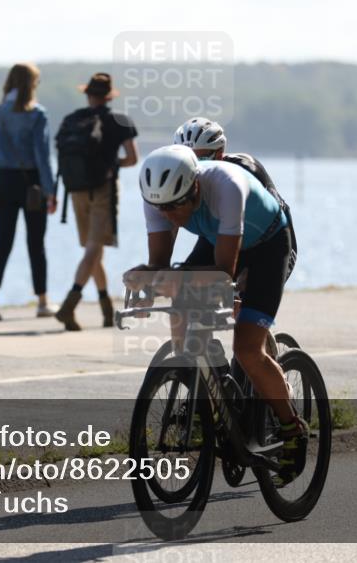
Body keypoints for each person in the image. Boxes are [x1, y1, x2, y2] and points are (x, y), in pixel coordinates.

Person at [126, 145, 307, 487]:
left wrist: (162, 280)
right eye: (161, 208)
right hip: (218, 236)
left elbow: (223, 274)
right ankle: (199, 383)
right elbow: (159, 267)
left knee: (248, 349)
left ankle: (291, 428)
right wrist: (146, 279)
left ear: (195, 187)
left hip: (267, 245)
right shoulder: (158, 200)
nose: (170, 216)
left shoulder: (226, 186)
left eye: (176, 206)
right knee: (181, 301)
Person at [54, 73, 138, 331]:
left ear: (88, 94)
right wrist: (114, 166)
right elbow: (133, 158)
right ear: (109, 95)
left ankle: (106, 311)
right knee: (93, 250)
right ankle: (70, 303)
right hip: (104, 189)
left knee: (93, 250)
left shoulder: (71, 120)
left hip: (76, 190)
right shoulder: (119, 120)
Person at [0, 63, 58, 321]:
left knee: (3, 241)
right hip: (31, 182)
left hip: (4, 179)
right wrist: (51, 190)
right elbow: (42, 155)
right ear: (31, 84)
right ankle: (42, 301)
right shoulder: (37, 114)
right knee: (36, 243)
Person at [173, 117, 296, 272]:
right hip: (219, 234)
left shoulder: (246, 169)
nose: (195, 167)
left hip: (268, 236)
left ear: (219, 154)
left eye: (201, 159)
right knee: (187, 279)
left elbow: (276, 222)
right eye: (187, 161)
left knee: (249, 289)